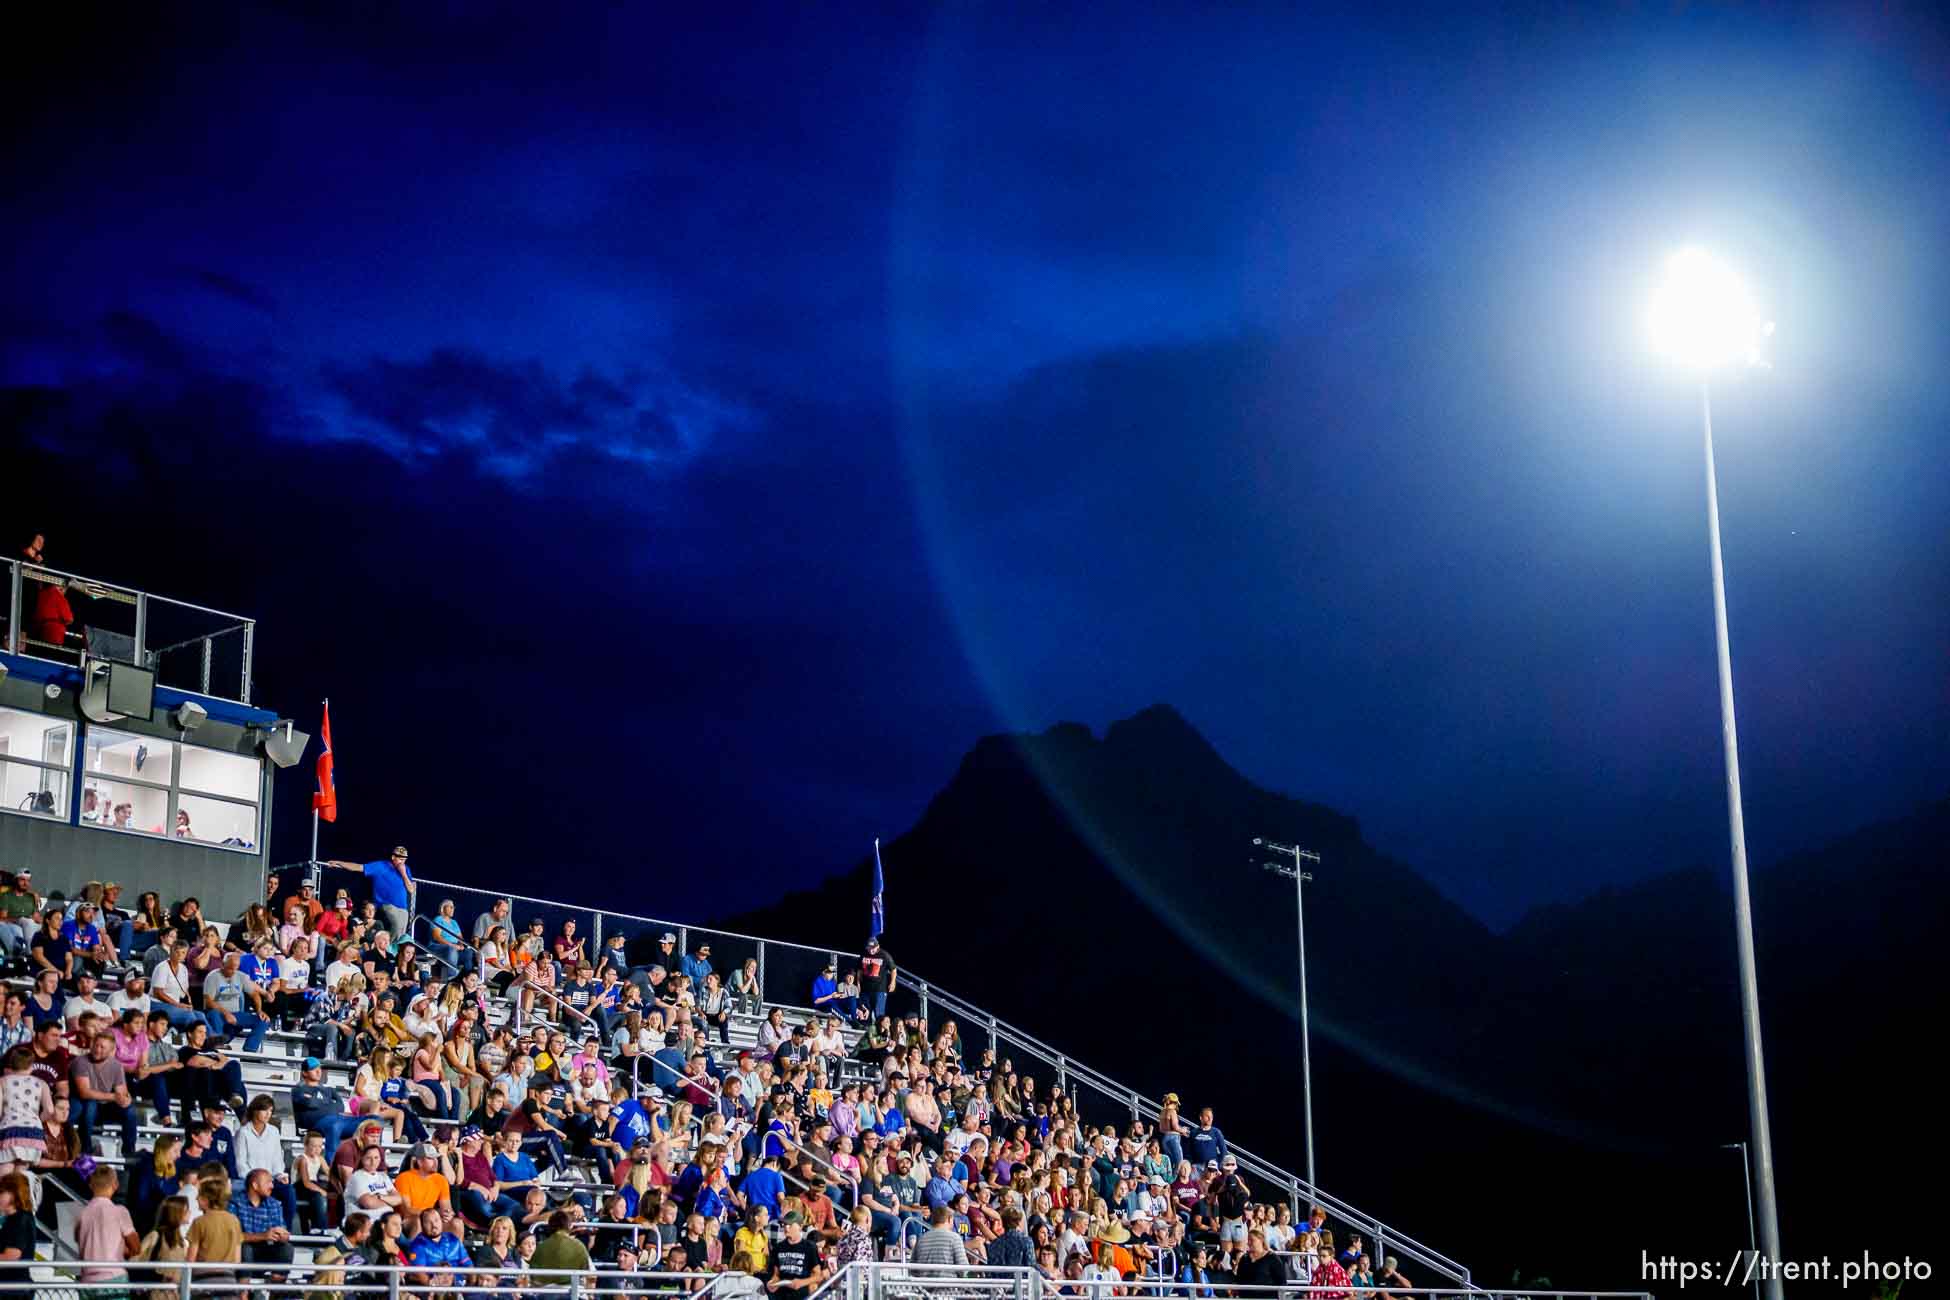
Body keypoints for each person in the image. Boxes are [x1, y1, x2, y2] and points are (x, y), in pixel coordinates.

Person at [327, 848, 416, 947]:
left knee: (401, 934)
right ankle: (385, 949)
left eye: (404, 859)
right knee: (396, 926)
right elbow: (359, 867)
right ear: (393, 857)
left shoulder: (406, 869)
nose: (402, 861)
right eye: (400, 858)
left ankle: (393, 953)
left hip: (403, 907)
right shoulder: (381, 866)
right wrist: (339, 863)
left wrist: (403, 873)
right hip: (387, 904)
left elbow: (411, 889)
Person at [70, 1029, 138, 1155]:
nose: (98, 1049)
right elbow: (84, 1092)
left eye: (102, 1047)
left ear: (111, 1051)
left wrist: (125, 1099)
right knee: (90, 1103)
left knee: (130, 1110)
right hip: (85, 1106)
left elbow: (122, 1092)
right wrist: (114, 1096)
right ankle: (85, 1148)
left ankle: (129, 1151)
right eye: (96, 1045)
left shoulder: (116, 1066)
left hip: (105, 1107)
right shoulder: (80, 1062)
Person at [75, 1162, 141, 1284]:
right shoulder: (120, 1212)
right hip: (114, 1277)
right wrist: (122, 1249)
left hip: (87, 1280)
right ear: (115, 1185)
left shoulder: (82, 1213)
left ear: (91, 1185)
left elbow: (82, 1241)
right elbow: (136, 1247)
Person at [857, 937, 895, 1019]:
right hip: (865, 989)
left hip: (880, 989)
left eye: (873, 948)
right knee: (866, 1012)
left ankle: (880, 1030)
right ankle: (866, 1029)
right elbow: (859, 971)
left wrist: (893, 982)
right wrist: (858, 983)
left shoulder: (884, 955)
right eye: (869, 948)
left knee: (879, 1013)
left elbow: (893, 970)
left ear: (878, 946)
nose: (871, 950)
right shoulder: (863, 954)